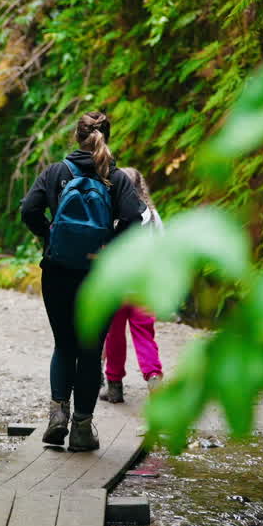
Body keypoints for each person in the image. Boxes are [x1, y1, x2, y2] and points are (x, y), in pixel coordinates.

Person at [20, 111, 145, 451]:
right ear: (107, 136)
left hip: (58, 271)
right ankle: (81, 430)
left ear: (77, 137)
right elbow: (136, 219)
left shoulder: (55, 172)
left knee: (64, 344)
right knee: (89, 352)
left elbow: (28, 210)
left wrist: (51, 237)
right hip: (100, 277)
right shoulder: (115, 178)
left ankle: (57, 414)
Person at [99, 167, 164, 404]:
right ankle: (154, 377)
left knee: (113, 336)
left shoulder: (109, 214)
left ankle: (114, 387)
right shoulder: (153, 217)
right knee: (145, 336)